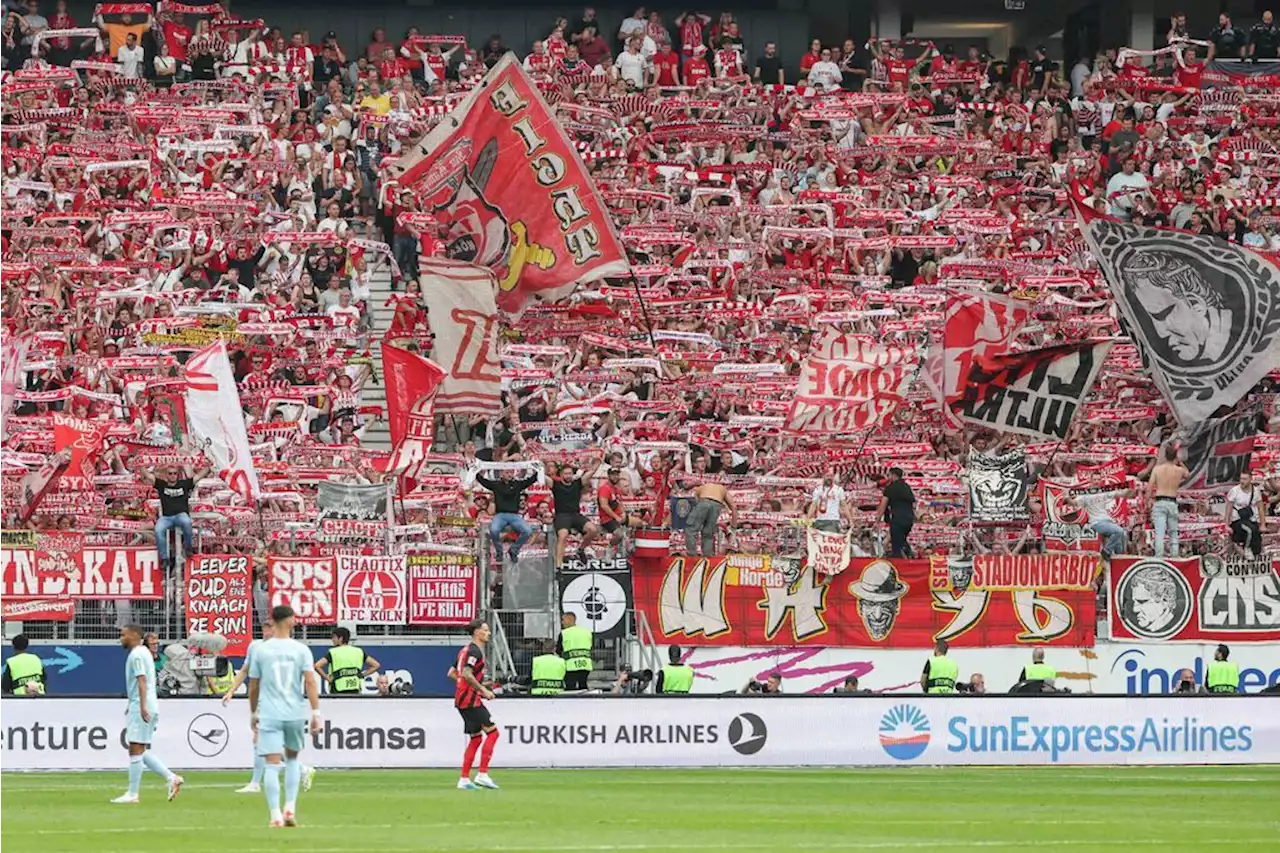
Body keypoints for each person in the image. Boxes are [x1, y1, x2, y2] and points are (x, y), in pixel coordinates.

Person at [222, 618, 316, 795]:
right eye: (264, 628)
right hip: (263, 699)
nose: (266, 632)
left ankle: (258, 782)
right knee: (260, 741)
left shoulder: (288, 648)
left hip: (278, 700)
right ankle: (299, 769)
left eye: (270, 628)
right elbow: (244, 670)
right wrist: (231, 690)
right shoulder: (255, 647)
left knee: (261, 741)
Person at [248, 605, 323, 827]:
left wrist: (253, 712)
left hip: (269, 712)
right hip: (294, 713)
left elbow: (254, 686)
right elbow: (310, 682)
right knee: (292, 760)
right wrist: (316, 711)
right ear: (289, 620)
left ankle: (275, 815)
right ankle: (290, 807)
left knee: (271, 764)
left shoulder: (261, 650)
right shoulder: (301, 650)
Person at [111, 624, 183, 804]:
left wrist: (141, 706)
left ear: (134, 635)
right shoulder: (144, 653)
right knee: (139, 749)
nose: (121, 638)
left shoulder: (136, 654)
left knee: (135, 749)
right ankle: (171, 777)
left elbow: (142, 681)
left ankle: (133, 793)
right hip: (145, 703)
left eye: (123, 635)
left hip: (142, 705)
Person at [452, 618, 499, 790]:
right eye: (485, 630)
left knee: (476, 738)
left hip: (462, 699)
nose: (488, 633)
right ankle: (482, 774)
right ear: (477, 632)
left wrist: (476, 685)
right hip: (470, 700)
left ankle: (464, 779)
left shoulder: (464, 651)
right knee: (493, 734)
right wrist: (482, 690)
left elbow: (452, 673)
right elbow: (466, 673)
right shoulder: (474, 652)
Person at [135, 462, 209, 570]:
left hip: (181, 515)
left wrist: (208, 466)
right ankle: (165, 558)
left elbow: (198, 476)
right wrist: (140, 464)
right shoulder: (161, 484)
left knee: (187, 522)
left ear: (177, 474)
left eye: (175, 473)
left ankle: (188, 547)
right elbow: (148, 476)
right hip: (166, 517)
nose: (173, 475)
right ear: (166, 475)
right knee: (158, 529)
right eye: (170, 473)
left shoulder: (184, 484)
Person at [476, 462, 540, 564]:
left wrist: (539, 469)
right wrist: (475, 470)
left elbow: (532, 480)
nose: (509, 474)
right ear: (502, 474)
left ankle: (514, 550)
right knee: (493, 530)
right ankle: (499, 551)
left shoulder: (518, 484)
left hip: (514, 515)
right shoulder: (496, 484)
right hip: (500, 515)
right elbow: (482, 480)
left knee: (527, 531)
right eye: (507, 472)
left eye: (511, 472)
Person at [552, 462, 599, 566]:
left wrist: (600, 458)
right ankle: (558, 566)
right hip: (562, 515)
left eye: (570, 473)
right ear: (561, 475)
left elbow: (592, 471)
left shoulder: (577, 483)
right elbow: (543, 476)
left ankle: (581, 549)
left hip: (575, 514)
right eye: (566, 473)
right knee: (563, 535)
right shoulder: (555, 484)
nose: (568, 475)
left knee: (593, 530)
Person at [1148, 444, 1187, 557]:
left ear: (1165, 455)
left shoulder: (1157, 469)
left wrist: (1147, 501)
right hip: (1172, 502)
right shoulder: (1179, 470)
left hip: (1160, 501)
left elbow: (1150, 487)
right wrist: (1180, 462)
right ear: (1175, 456)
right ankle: (1175, 557)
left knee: (1159, 533)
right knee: (1173, 532)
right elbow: (1187, 473)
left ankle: (1159, 558)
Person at [315, 627, 380, 695]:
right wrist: (361, 675)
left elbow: (317, 666)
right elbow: (376, 665)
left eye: (334, 637)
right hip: (355, 688)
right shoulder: (358, 651)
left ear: (341, 638)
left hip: (337, 689)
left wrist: (328, 679)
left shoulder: (333, 652)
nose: (332, 640)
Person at [685, 481, 736, 556]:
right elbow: (734, 507)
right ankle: (708, 556)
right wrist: (734, 527)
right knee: (708, 533)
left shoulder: (700, 488)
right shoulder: (723, 489)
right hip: (717, 505)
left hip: (703, 501)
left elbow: (696, 503)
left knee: (691, 529)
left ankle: (692, 556)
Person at [1225, 470, 1265, 556]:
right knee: (1250, 530)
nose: (1242, 481)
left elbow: (1261, 508)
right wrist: (1226, 525)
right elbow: (1229, 508)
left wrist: (1263, 524)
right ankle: (1247, 549)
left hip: (1251, 519)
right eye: (1241, 479)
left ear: (1250, 479)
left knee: (1256, 534)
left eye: (1245, 479)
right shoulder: (1234, 491)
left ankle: (1256, 553)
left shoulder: (1256, 491)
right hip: (1238, 520)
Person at [878, 467, 915, 558]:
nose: (888, 477)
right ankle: (910, 556)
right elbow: (913, 503)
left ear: (893, 475)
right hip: (909, 519)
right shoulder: (907, 487)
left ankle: (900, 565)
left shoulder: (890, 488)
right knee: (902, 540)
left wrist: (877, 520)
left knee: (896, 545)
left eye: (889, 475)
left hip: (898, 518)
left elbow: (883, 504)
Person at [556, 611, 593, 691]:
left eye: (563, 620)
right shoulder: (587, 632)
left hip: (571, 666)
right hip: (585, 665)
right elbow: (590, 647)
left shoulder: (564, 633)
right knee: (583, 686)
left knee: (570, 688)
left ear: (569, 619)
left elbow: (558, 650)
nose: (562, 623)